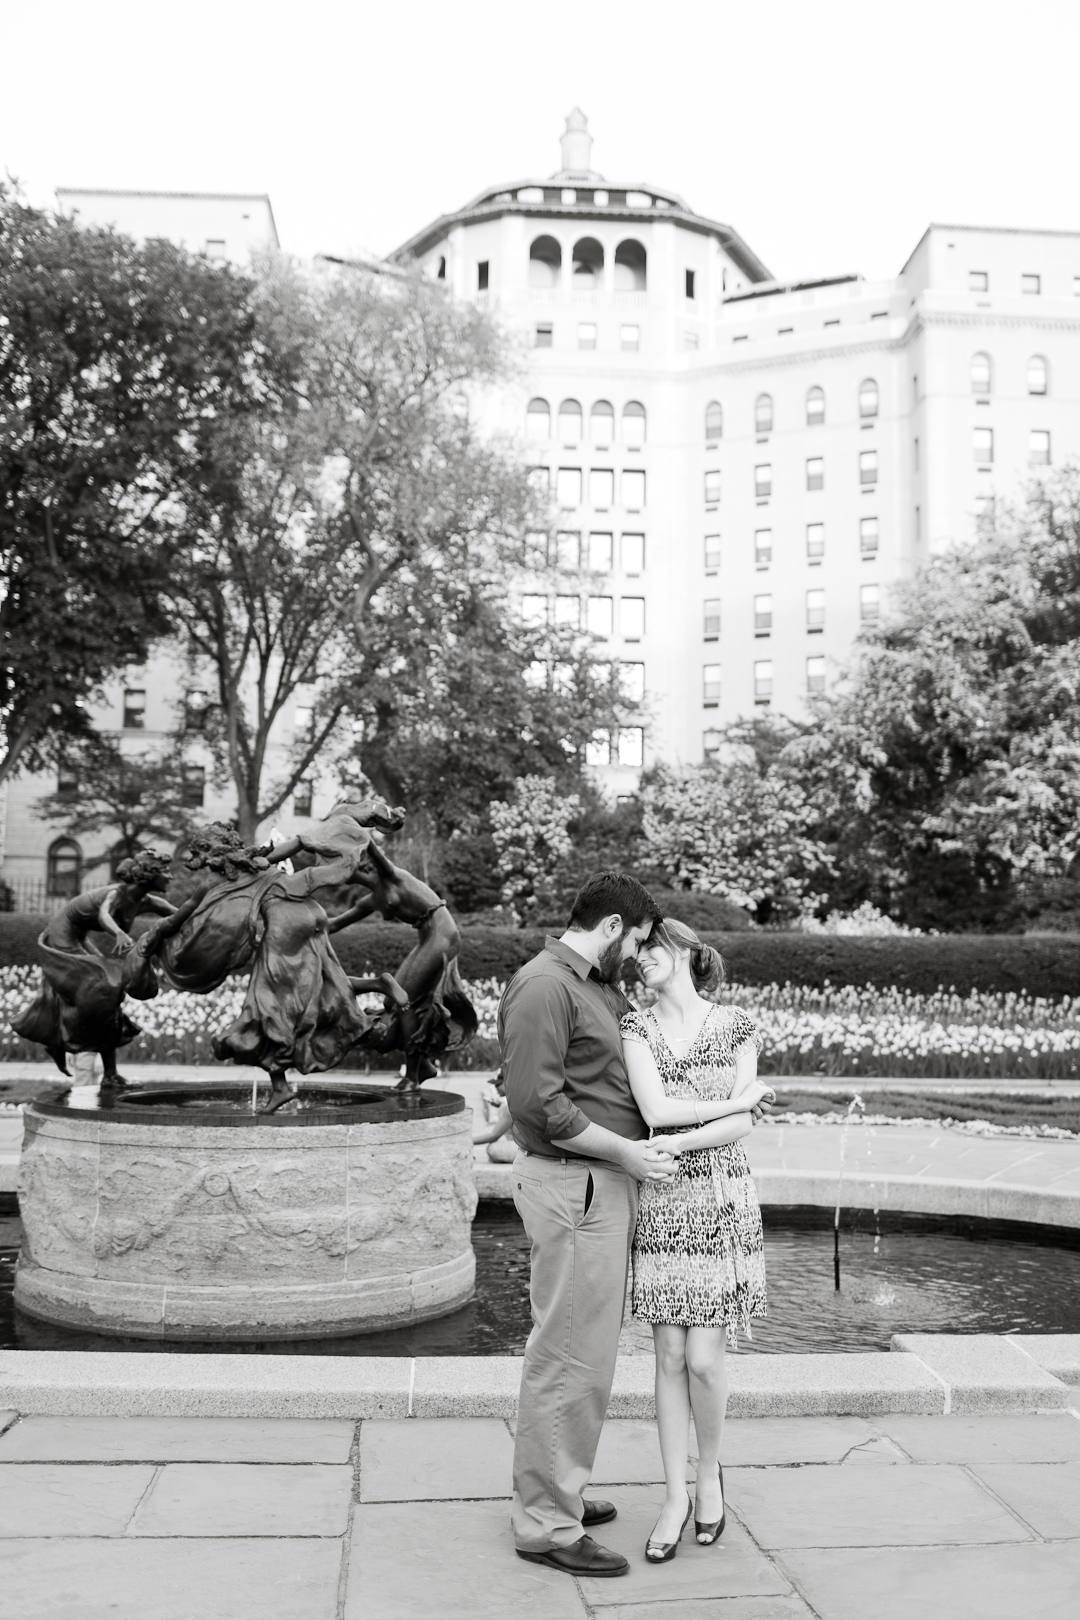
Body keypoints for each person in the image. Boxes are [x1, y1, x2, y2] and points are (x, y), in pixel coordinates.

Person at [497, 870, 676, 1581]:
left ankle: (558, 1490)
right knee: (569, 1355)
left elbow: (577, 1080)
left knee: (587, 1357)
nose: (635, 954)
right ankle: (544, 1524)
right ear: (610, 927)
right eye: (634, 939)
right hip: (578, 1188)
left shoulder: (593, 984)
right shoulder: (547, 984)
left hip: (596, 1188)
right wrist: (625, 1151)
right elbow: (541, 1106)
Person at [620, 917, 772, 1563]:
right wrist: (729, 1107)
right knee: (669, 1359)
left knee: (706, 1360)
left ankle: (709, 1471)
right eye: (637, 954)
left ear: (680, 950)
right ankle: (675, 1494)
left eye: (651, 949)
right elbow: (654, 1110)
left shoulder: (737, 1024)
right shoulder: (637, 1027)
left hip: (719, 1200)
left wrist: (677, 1141)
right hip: (663, 1202)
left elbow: (740, 1129)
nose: (641, 961)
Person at [11, 850, 176, 1086]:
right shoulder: (116, 893)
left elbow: (178, 914)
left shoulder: (145, 901)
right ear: (148, 876)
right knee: (104, 991)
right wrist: (118, 933)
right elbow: (103, 914)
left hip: (79, 939)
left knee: (110, 996)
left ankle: (109, 1073)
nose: (170, 876)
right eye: (165, 872)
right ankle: (59, 1039)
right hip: (60, 939)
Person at [472, 1068, 516, 1162]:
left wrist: (467, 1141)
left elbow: (494, 1135)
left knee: (493, 1148)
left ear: (507, 1082)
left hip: (524, 1149)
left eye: (497, 1084)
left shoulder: (510, 1107)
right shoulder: (516, 1101)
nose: (495, 1088)